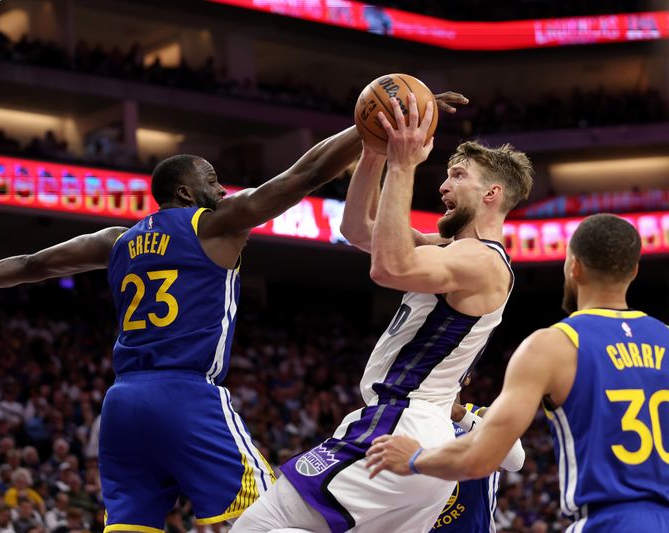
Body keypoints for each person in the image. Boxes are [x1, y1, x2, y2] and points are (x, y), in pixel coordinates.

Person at [0, 123, 363, 530]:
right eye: (211, 180)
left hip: (122, 404)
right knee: (272, 514)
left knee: (130, 528)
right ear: (186, 193)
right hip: (185, 394)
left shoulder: (117, 239)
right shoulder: (215, 225)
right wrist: (368, 124)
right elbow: (304, 174)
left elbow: (33, 264)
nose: (222, 190)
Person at [233, 93, 533, 532]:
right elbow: (356, 229)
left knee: (256, 527)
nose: (443, 187)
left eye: (457, 176)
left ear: (492, 193)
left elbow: (390, 266)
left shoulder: (482, 261)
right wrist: (373, 152)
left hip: (398, 422)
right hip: (415, 440)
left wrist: (403, 162)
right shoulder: (449, 249)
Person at [365, 214, 669, 532]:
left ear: (573, 267)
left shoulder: (553, 345)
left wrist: (415, 459)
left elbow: (483, 456)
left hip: (607, 521)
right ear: (634, 271)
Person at [430, 393, 525, 532]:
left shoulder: (483, 414)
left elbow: (515, 462)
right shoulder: (406, 420)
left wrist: (460, 415)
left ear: (466, 376)